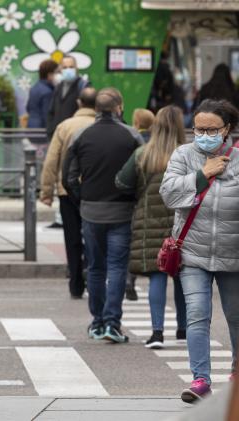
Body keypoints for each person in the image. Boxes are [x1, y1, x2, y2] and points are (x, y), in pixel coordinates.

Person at [159, 99, 239, 403]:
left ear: (226, 129)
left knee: (236, 316)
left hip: (233, 253)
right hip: (193, 252)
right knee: (196, 314)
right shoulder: (183, 154)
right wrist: (201, 174)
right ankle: (200, 379)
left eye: (212, 129)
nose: (204, 134)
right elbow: (168, 194)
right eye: (199, 129)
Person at [62, 87, 143, 343]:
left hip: (90, 210)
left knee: (95, 267)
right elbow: (141, 171)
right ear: (119, 107)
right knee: (117, 267)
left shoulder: (81, 135)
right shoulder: (132, 135)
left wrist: (81, 198)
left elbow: (69, 176)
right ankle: (112, 323)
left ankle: (97, 322)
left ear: (96, 109)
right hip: (122, 210)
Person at [115, 106, 187, 349]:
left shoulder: (143, 154)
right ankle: (183, 328)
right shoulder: (188, 155)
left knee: (158, 275)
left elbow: (121, 182)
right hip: (183, 222)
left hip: (148, 221)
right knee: (182, 276)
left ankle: (157, 333)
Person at [40, 87, 97, 299]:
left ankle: (75, 284)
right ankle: (93, 276)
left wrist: (46, 191)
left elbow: (51, 160)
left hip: (67, 191)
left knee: (72, 238)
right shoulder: (100, 125)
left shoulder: (64, 126)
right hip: (95, 191)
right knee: (94, 236)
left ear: (80, 103)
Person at [124, 108, 155, 301]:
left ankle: (130, 280)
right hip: (156, 200)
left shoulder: (133, 141)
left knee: (132, 243)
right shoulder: (159, 141)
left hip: (137, 198)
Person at [46, 55, 89, 140]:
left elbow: (87, 113)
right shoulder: (58, 87)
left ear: (76, 68)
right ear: (60, 70)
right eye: (65, 67)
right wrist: (50, 131)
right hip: (58, 136)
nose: (68, 70)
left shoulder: (83, 86)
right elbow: (51, 111)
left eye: (71, 67)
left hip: (75, 137)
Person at [26, 59, 58, 129]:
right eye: (57, 72)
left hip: (30, 127)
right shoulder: (48, 92)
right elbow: (47, 115)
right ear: (50, 75)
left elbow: (28, 108)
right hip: (41, 130)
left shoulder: (34, 88)